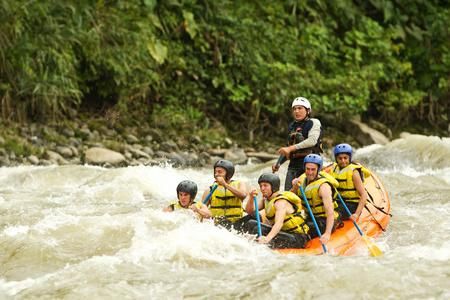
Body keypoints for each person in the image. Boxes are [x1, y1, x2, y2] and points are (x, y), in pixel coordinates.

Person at [244, 173, 310, 249]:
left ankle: (259, 246)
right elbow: (249, 211)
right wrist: (251, 198)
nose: (262, 188)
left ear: (274, 187)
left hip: (298, 238)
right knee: (251, 223)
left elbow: (279, 223)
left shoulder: (280, 202)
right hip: (285, 233)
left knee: (257, 229)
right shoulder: (266, 200)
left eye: (265, 185)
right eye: (261, 186)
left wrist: (267, 239)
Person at [272, 97, 323, 191]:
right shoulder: (292, 126)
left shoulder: (314, 122)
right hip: (294, 164)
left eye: (300, 108)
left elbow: (312, 141)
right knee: (288, 194)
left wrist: (291, 148)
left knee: (308, 193)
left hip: (311, 163)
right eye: (294, 109)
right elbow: (288, 148)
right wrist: (278, 163)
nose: (296, 111)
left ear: (308, 111)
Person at [291, 154, 341, 245]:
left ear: (318, 169)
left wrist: (327, 233)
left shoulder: (324, 187)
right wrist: (294, 187)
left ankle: (297, 242)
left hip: (324, 220)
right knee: (291, 225)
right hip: (310, 217)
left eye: (313, 169)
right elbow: (291, 197)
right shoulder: (301, 179)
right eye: (307, 169)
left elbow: (330, 212)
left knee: (301, 230)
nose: (310, 172)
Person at [200, 159, 248, 229]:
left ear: (228, 174)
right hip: (218, 225)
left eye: (219, 172)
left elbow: (243, 195)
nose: (216, 174)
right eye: (215, 172)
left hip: (236, 223)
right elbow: (202, 211)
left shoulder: (239, 184)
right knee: (223, 222)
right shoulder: (209, 190)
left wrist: (225, 185)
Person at [330, 143, 369, 221]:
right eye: (340, 158)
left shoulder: (354, 172)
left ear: (349, 158)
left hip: (352, 205)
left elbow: (364, 195)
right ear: (336, 159)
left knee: (333, 214)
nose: (343, 161)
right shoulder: (334, 168)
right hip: (338, 201)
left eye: (345, 158)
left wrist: (356, 214)